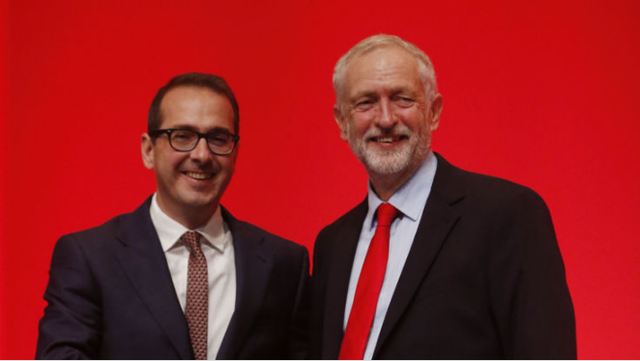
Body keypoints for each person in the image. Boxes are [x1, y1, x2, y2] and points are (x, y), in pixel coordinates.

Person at [309, 34, 576, 359]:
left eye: (402, 99)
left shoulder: (508, 215)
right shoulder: (331, 245)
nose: (385, 118)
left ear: (433, 111)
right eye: (365, 102)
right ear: (342, 122)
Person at [36, 73, 309, 359]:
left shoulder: (285, 264)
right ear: (148, 150)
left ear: (235, 154)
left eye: (218, 138)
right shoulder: (90, 257)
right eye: (182, 136)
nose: (202, 154)